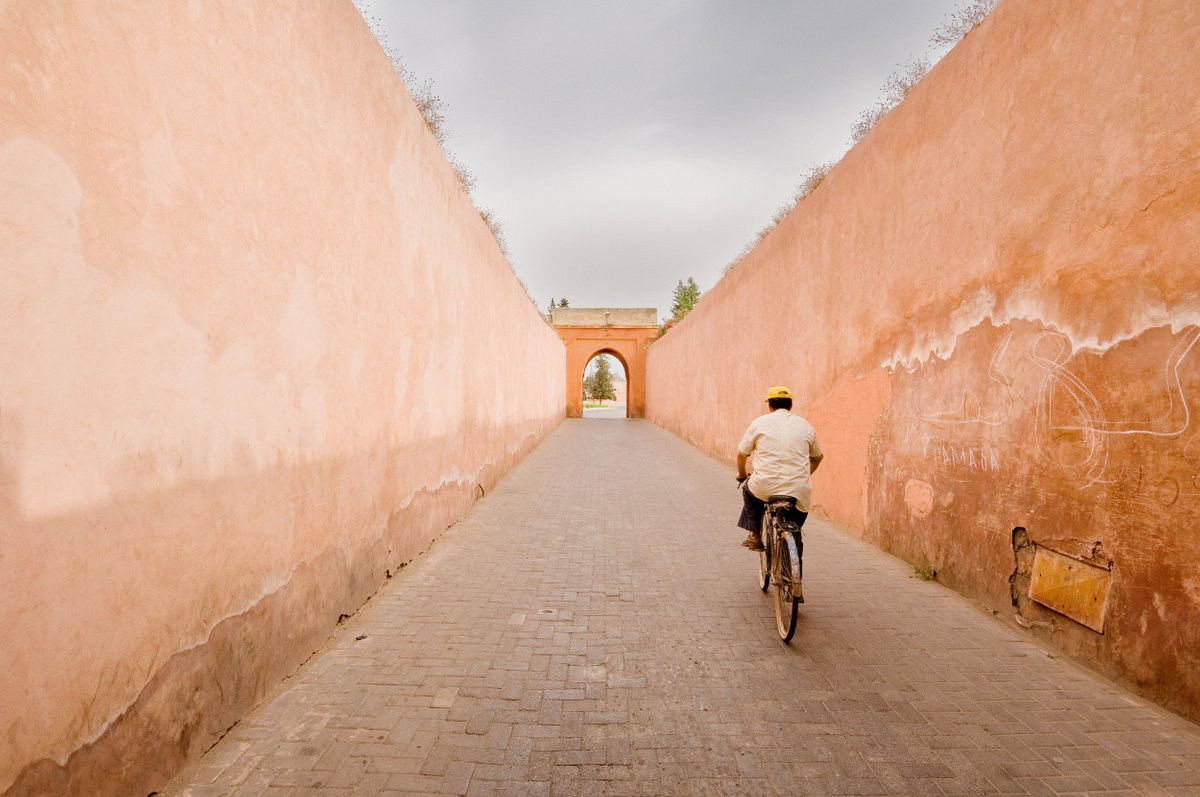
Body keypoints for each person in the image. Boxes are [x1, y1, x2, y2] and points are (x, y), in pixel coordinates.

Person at [735, 386, 824, 567]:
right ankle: (793, 570)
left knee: (748, 490)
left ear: (770, 406)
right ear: (790, 405)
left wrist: (742, 475)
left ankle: (755, 534)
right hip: (798, 490)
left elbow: (741, 455)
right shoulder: (805, 425)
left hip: (764, 485)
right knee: (794, 527)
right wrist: (803, 475)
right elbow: (817, 457)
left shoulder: (759, 423)